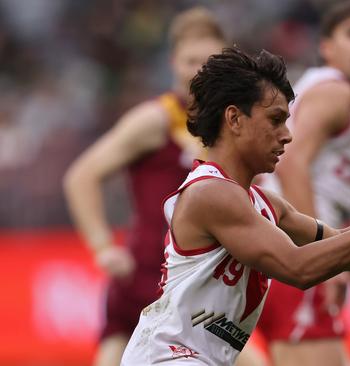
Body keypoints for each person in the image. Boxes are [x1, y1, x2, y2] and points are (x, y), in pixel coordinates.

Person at [119, 47, 350, 366]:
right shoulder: (212, 195)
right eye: (276, 120)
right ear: (233, 119)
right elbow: (299, 268)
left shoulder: (265, 204)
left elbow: (345, 247)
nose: (287, 135)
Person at [62, 7, 226, 366]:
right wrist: (102, 246)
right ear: (173, 63)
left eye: (210, 61)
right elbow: (81, 176)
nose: (199, 71)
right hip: (146, 277)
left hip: (198, 283)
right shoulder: (154, 120)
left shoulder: (228, 127)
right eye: (190, 60)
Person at [252, 2, 350, 365]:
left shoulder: (322, 91)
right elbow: (291, 164)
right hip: (294, 253)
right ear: (327, 47)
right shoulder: (335, 93)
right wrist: (326, 258)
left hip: (280, 245)